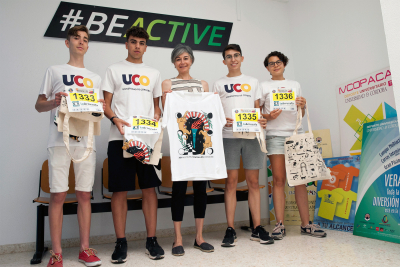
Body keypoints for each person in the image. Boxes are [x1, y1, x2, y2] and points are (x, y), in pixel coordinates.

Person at [35, 25, 104, 267]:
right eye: (77, 38)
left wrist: (100, 107)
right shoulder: (54, 71)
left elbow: (97, 111)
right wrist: (53, 101)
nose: (81, 42)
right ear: (68, 43)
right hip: (59, 139)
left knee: (85, 194)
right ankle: (56, 253)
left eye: (85, 39)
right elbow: (38, 104)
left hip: (86, 140)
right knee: (58, 195)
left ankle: (85, 250)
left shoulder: (94, 77)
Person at [101, 26, 164, 262]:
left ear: (146, 47)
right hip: (120, 138)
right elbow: (105, 104)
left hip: (146, 139)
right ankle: (120, 242)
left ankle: (152, 240)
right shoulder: (113, 70)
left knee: (149, 188)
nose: (137, 46)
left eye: (142, 42)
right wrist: (115, 119)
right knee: (120, 190)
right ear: (126, 44)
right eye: (133, 41)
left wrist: (156, 118)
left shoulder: (154, 73)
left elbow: (157, 107)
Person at [260, 51, 327, 239]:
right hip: (274, 136)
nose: (275, 65)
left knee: (301, 181)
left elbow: (301, 115)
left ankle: (306, 225)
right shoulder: (263, 86)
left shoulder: (294, 85)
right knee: (279, 180)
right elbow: (258, 115)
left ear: (284, 64)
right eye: (271, 63)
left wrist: (303, 105)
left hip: (296, 136)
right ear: (267, 67)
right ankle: (279, 224)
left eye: (278, 62)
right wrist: (268, 116)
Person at [213, 44, 272, 247]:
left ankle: (257, 227)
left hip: (251, 136)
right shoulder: (218, 84)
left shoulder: (253, 82)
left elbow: (258, 110)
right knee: (231, 183)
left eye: (236, 55)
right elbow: (214, 112)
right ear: (224, 61)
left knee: (253, 183)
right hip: (228, 136)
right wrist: (222, 120)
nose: (233, 59)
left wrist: (262, 120)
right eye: (228, 56)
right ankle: (230, 229)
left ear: (242, 58)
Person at [161, 44, 214, 256]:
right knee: (179, 190)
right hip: (180, 144)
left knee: (201, 189)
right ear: (174, 63)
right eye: (178, 59)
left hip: (201, 144)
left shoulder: (203, 84)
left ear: (191, 60)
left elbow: (208, 110)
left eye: (185, 58)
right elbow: (168, 112)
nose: (182, 62)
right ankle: (178, 238)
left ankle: (199, 237)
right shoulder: (167, 83)